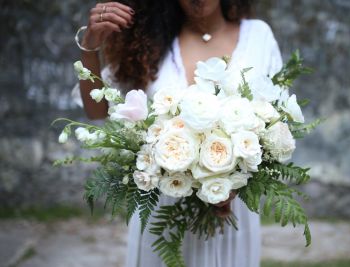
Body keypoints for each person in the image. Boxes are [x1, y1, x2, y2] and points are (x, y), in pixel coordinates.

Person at [73, 0, 283, 266]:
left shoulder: (258, 36)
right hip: (162, 211)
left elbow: (276, 122)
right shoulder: (147, 44)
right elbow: (96, 111)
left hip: (234, 208)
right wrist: (90, 46)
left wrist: (232, 181)